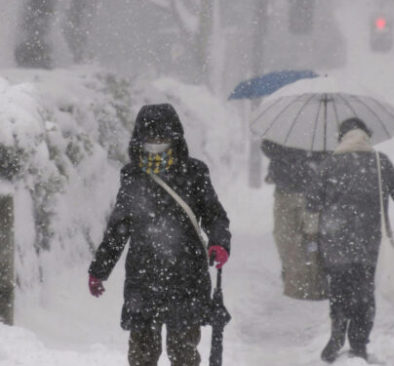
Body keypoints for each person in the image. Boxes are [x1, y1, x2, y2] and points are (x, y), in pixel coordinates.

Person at [88, 104, 231, 366]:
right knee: (142, 356)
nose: (156, 143)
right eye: (150, 137)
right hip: (143, 280)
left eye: (162, 137)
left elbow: (214, 215)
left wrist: (220, 243)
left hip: (186, 278)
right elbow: (118, 229)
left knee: (184, 355)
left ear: (175, 137)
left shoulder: (194, 173)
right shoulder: (133, 176)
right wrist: (99, 270)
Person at [306, 118, 394, 363]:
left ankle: (337, 332)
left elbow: (312, 205)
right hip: (369, 242)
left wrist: (312, 245)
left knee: (339, 290)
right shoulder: (379, 162)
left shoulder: (329, 164)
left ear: (341, 137)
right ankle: (359, 344)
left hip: (333, 242)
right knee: (364, 293)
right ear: (367, 136)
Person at [261, 139, 330, 300]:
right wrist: (292, 154)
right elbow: (267, 146)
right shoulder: (286, 126)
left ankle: (315, 282)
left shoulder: (321, 126)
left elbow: (330, 155)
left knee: (312, 238)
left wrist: (309, 157)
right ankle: (295, 279)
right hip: (285, 192)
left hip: (313, 193)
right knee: (285, 237)